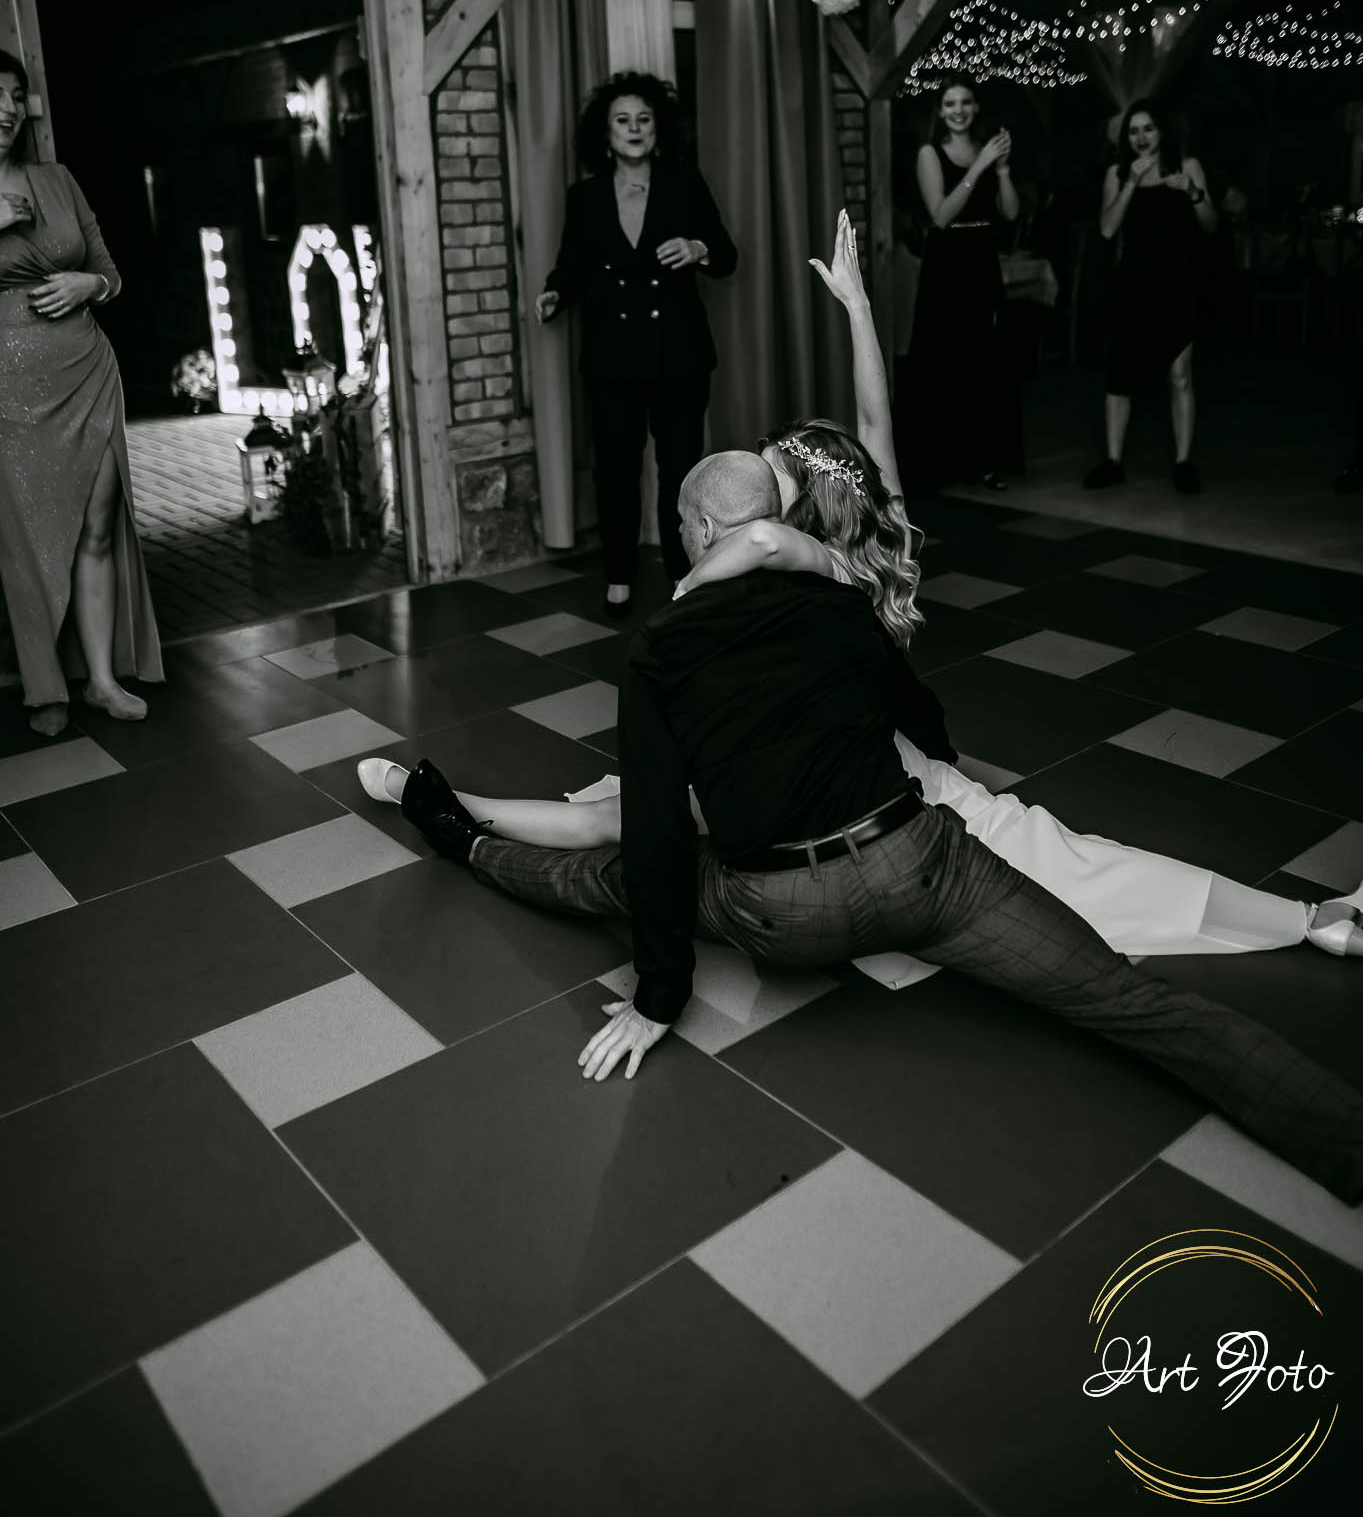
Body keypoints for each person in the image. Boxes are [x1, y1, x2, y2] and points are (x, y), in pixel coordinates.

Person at [359, 214, 1360, 961]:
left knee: (1083, 873)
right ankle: (444, 800)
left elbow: (769, 537)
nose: (755, 498)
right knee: (619, 811)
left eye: (770, 482)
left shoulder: (820, 567)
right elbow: (874, 434)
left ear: (794, 511)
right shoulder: (871, 549)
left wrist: (690, 586)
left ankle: (1312, 918)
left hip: (886, 794)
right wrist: (857, 309)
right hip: (812, 770)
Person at [398, 449, 1363, 1204]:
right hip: (923, 868)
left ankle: (460, 837)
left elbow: (652, 830)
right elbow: (912, 709)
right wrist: (938, 762)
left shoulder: (660, 647)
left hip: (783, 909)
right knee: (1127, 998)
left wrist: (658, 998)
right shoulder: (838, 600)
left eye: (685, 524)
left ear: (699, 530)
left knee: (608, 875)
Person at [0, 51, 162, 735]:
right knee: (25, 540)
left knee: (97, 527)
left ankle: (100, 680)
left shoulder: (57, 179)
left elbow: (109, 271)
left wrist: (88, 285)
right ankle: (45, 688)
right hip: (7, 389)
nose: (7, 109)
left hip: (87, 371)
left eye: (16, 95)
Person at [535, 71, 737, 614]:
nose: (633, 128)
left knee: (680, 470)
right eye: (622, 120)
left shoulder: (684, 183)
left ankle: (682, 571)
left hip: (679, 352)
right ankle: (619, 575)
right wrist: (554, 294)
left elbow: (726, 254)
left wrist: (697, 248)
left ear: (658, 129)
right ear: (604, 134)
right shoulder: (584, 197)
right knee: (616, 471)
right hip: (612, 356)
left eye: (643, 119)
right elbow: (571, 267)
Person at [897, 74, 1022, 494]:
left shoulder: (986, 150)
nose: (958, 110)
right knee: (945, 359)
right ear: (940, 110)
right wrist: (981, 165)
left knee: (984, 359)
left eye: (965, 102)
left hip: (982, 258)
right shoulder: (930, 153)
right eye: (950, 103)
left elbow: (1010, 212)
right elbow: (940, 215)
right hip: (948, 263)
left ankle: (983, 459)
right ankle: (941, 460)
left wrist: (1001, 169)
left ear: (976, 106)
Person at [1085, 99, 1217, 495]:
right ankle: (1113, 461)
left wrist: (1193, 192)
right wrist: (1130, 182)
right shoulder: (1116, 173)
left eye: (1148, 128)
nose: (1141, 137)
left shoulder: (1187, 166)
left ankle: (1183, 462)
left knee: (1180, 374)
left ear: (1161, 130)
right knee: (1119, 374)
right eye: (1133, 131)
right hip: (1132, 284)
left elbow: (1211, 226)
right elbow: (1107, 229)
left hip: (1177, 282)